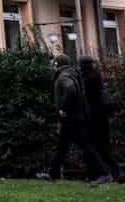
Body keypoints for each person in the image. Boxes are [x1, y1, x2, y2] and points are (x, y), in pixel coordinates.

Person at [37, 54, 112, 185]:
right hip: (75, 117)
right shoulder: (72, 73)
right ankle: (52, 174)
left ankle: (103, 173)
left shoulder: (63, 76)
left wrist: (63, 108)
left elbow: (70, 90)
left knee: (85, 146)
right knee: (62, 147)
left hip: (71, 119)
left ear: (57, 65)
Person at [79, 56, 121, 180]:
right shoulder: (96, 77)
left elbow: (85, 97)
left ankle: (99, 173)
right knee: (103, 147)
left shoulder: (86, 79)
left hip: (92, 117)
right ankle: (114, 172)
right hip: (101, 117)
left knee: (93, 147)